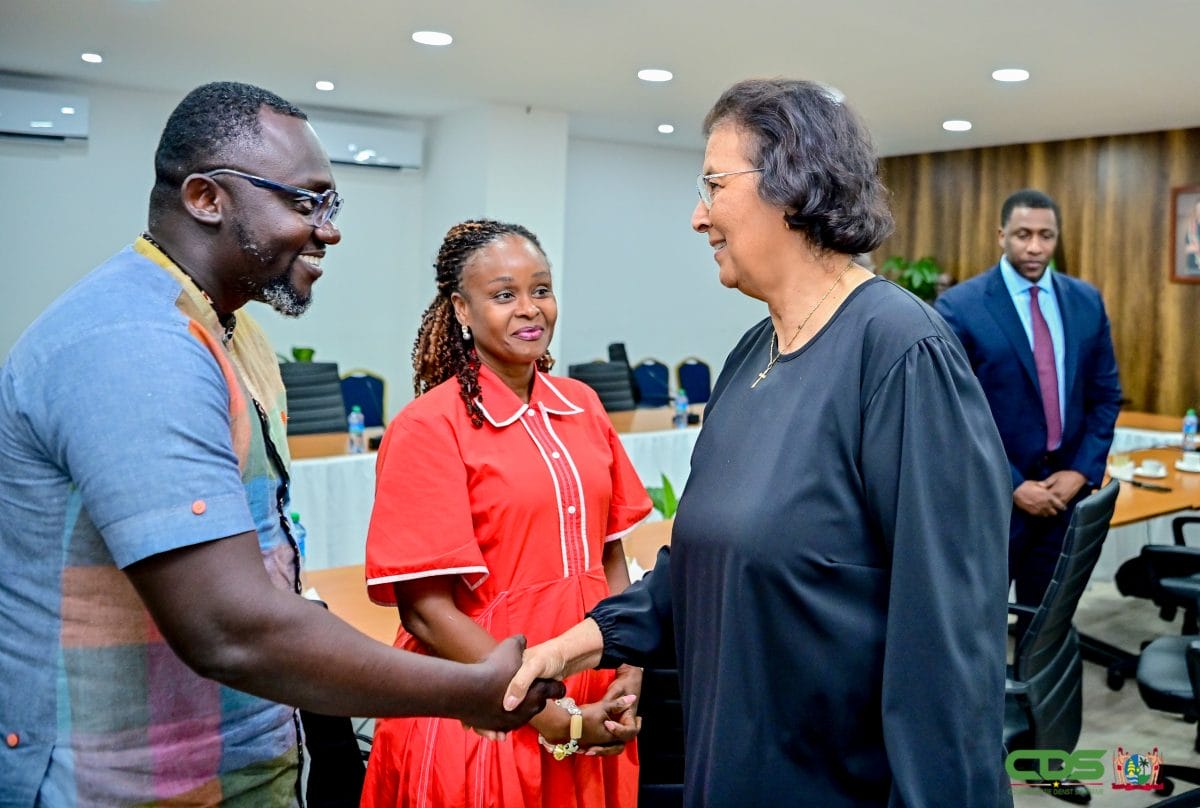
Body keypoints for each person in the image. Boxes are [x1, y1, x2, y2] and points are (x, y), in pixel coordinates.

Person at [0, 82, 560, 806]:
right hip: (123, 783)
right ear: (206, 197)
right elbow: (229, 628)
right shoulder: (137, 344)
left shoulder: (230, 333)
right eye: (305, 202)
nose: (328, 230)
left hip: (236, 765)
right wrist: (470, 690)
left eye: (331, 206)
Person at [501, 78, 1014, 806]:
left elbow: (948, 643)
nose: (697, 216)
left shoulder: (900, 352)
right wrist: (571, 645)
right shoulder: (752, 353)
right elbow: (703, 568)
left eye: (713, 183)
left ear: (794, 186)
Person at [360, 219, 648, 807]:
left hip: (594, 698)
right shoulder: (428, 427)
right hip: (487, 708)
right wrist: (549, 716)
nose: (530, 310)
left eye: (541, 290)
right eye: (503, 295)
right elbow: (426, 613)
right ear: (462, 310)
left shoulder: (583, 406)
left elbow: (610, 551)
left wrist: (628, 665)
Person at [935, 189, 1122, 612]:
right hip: (994, 500)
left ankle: (1041, 682)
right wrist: (1013, 483)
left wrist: (1080, 471)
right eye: (1023, 234)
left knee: (1050, 623)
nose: (1035, 246)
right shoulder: (959, 307)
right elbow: (954, 416)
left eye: (1046, 235)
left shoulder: (1086, 302)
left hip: (1065, 496)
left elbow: (1105, 396)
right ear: (1002, 235)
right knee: (976, 624)